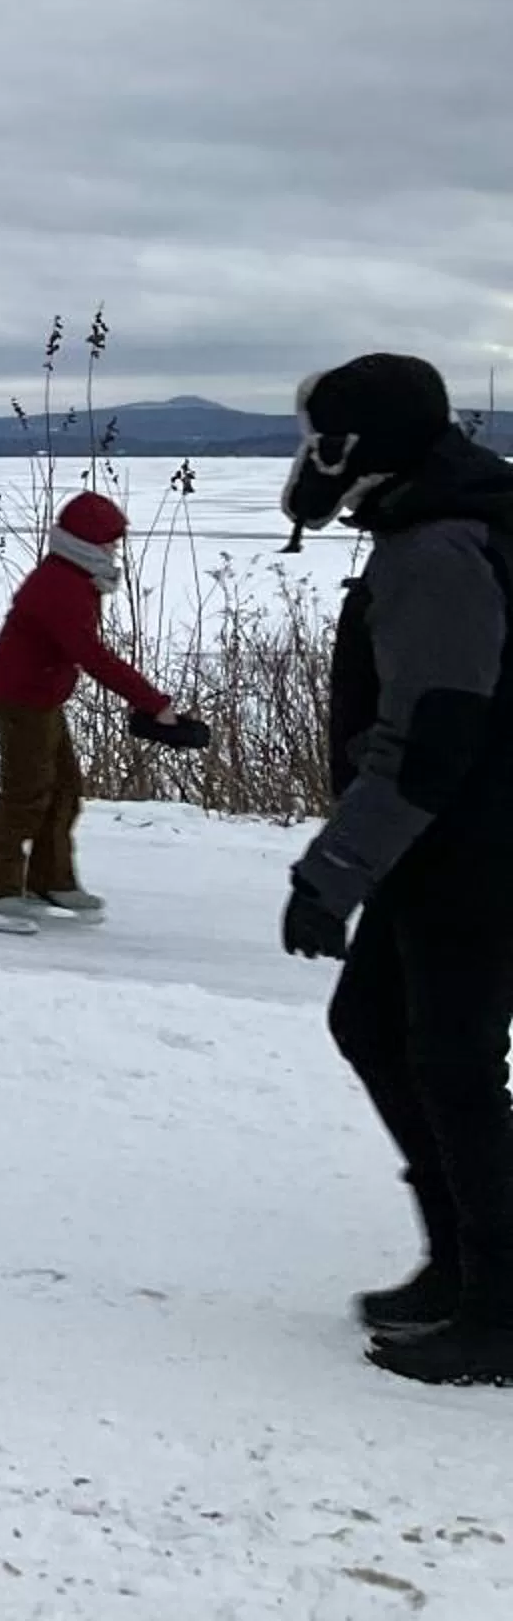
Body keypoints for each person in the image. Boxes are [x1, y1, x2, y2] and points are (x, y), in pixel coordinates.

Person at [276, 354, 513, 1388]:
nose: (306, 463)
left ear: (353, 450)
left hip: (475, 849)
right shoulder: (446, 518)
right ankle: (461, 1257)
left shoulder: (438, 549)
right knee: (372, 1026)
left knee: (456, 1066)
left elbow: (428, 740)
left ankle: (502, 1304)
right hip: (450, 847)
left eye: (317, 439)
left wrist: (335, 867)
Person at [0, 491, 187, 936]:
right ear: (86, 541)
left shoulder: (77, 576)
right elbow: (92, 656)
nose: (114, 549)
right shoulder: (61, 585)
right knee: (26, 792)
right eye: (109, 540)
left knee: (64, 788)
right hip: (19, 697)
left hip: (41, 695)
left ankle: (49, 880)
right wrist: (154, 703)